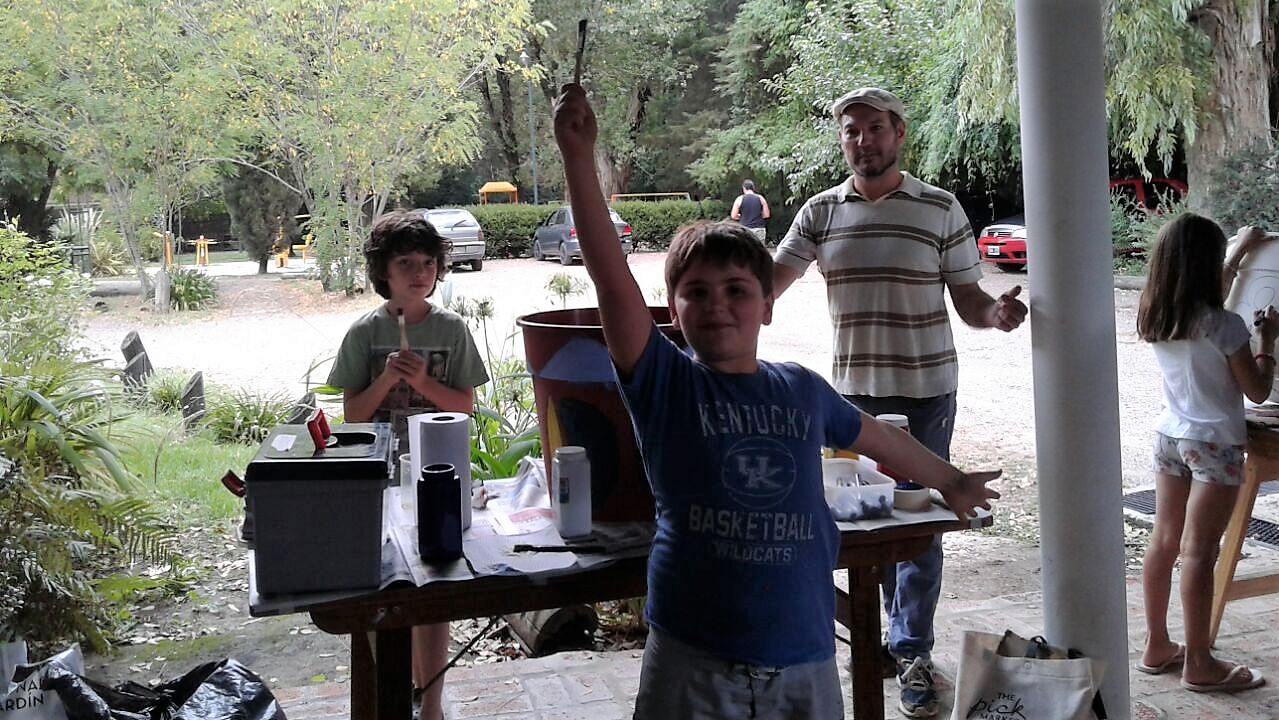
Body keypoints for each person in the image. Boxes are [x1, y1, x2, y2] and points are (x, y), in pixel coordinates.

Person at [553, 82, 1001, 719]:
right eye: (697, 292)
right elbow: (609, 273)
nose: (717, 305)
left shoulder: (801, 388)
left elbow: (881, 438)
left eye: (737, 290)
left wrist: (950, 481)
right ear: (672, 310)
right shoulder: (664, 383)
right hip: (691, 659)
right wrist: (577, 156)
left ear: (768, 305)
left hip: (804, 657)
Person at [771, 86, 1027, 718]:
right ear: (842, 140)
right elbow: (770, 284)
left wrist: (994, 314)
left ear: (899, 133)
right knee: (861, 524)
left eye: (876, 128)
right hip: (851, 398)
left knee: (918, 526)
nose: (865, 140)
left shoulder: (939, 207)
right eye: (852, 130)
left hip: (927, 391)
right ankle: (872, 642)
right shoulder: (820, 212)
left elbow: (969, 299)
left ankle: (911, 651)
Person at [326, 209, 490, 720]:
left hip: (438, 473)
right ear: (384, 271)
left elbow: (464, 407)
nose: (419, 273)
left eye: (427, 263)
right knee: (385, 589)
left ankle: (432, 704)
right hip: (378, 478)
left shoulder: (452, 329)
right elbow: (352, 416)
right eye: (406, 264)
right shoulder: (363, 333)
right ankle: (392, 696)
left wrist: (422, 383)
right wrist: (386, 379)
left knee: (435, 589)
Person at [1136, 215, 1274, 693]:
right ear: (1206, 265)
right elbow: (1257, 391)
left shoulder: (1158, 315)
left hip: (1170, 436)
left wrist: (1240, 249)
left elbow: (1211, 294)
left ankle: (1156, 645)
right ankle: (1199, 663)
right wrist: (1267, 341)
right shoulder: (1227, 326)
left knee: (1164, 541)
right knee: (1199, 552)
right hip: (1214, 444)